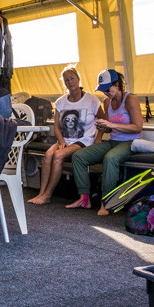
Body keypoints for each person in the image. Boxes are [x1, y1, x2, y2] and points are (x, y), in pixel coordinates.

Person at [68, 69, 154, 215]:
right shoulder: (107, 102)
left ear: (117, 84)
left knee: (110, 158)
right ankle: (84, 198)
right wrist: (103, 127)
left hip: (130, 142)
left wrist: (112, 125)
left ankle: (106, 202)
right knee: (79, 156)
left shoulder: (130, 99)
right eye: (103, 90)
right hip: (113, 141)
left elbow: (138, 127)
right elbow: (109, 129)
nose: (106, 93)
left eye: (108, 89)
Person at [28, 65, 101, 206]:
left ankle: (47, 195)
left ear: (78, 79)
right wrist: (61, 141)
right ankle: (41, 193)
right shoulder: (61, 102)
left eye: (72, 78)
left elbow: (103, 121)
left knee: (58, 156)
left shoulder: (92, 100)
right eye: (66, 80)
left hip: (83, 141)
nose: (70, 82)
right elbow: (56, 126)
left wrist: (98, 139)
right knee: (48, 154)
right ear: (64, 83)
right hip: (66, 140)